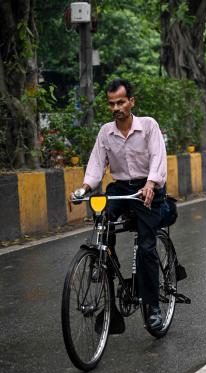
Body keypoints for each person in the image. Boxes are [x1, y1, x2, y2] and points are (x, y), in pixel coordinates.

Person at [70, 78, 167, 332]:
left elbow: (158, 157)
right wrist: (84, 188)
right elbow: (95, 165)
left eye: (121, 102)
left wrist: (150, 184)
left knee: (146, 247)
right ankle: (103, 260)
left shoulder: (148, 126)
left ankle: (153, 307)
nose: (116, 108)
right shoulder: (106, 132)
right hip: (121, 188)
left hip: (148, 189)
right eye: (112, 103)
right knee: (102, 213)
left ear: (131, 102)